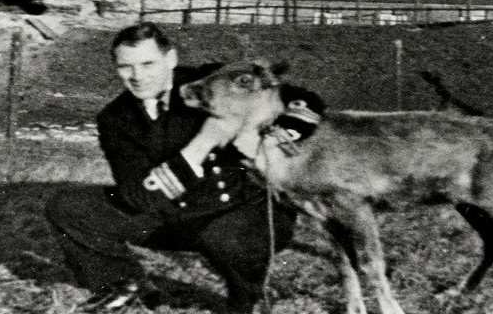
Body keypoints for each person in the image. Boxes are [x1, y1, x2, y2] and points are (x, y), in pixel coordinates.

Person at [45, 22, 324, 313]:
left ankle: (246, 299)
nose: (138, 76)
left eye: (148, 63)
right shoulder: (115, 118)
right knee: (68, 207)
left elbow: (304, 101)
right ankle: (124, 285)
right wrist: (202, 144)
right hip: (172, 212)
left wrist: (272, 139)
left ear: (171, 59)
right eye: (126, 67)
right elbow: (137, 196)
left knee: (223, 237)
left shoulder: (211, 81)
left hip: (241, 209)